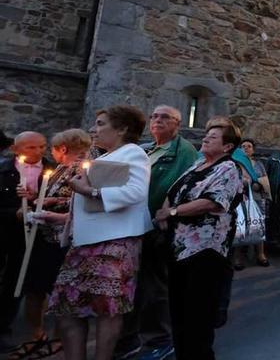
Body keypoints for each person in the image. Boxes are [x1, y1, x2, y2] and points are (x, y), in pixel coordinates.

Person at [48, 106, 152, 360]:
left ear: (122, 129)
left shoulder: (133, 153)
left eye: (101, 123)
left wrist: (89, 191)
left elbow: (136, 192)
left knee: (108, 309)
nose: (94, 129)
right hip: (85, 242)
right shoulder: (106, 155)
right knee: (68, 307)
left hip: (114, 243)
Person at [115, 105, 198, 360]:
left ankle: (160, 339)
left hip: (159, 227)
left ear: (178, 123)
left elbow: (182, 184)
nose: (158, 121)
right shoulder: (146, 148)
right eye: (154, 117)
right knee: (132, 285)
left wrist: (167, 212)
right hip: (134, 224)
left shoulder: (183, 150)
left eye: (165, 117)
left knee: (154, 287)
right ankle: (130, 337)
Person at [153, 123, 242, 360]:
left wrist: (172, 213)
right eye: (206, 135)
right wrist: (165, 210)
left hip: (205, 250)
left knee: (198, 314)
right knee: (179, 310)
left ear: (227, 146)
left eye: (213, 137)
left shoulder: (229, 169)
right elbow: (173, 192)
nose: (205, 139)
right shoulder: (196, 165)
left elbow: (213, 202)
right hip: (179, 248)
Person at [8, 130, 90, 360]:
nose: (47, 153)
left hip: (60, 239)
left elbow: (80, 199)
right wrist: (35, 196)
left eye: (49, 148)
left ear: (62, 149)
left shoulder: (81, 169)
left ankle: (55, 340)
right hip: (44, 237)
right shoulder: (59, 169)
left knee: (55, 291)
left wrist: (54, 202)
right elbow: (50, 194)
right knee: (36, 288)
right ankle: (39, 337)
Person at [0, 132, 52, 356]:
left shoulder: (52, 170)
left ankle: (4, 330)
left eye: (41, 146)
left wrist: (34, 200)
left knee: (16, 282)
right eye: (31, 147)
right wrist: (15, 213)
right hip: (4, 233)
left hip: (35, 237)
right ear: (15, 150)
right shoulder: (3, 170)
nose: (39, 151)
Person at [234, 138, 270, 269]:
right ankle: (238, 257)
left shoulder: (258, 164)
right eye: (243, 146)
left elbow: (265, 180)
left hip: (257, 198)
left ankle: (261, 254)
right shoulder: (236, 163)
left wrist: (257, 184)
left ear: (253, 149)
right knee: (240, 226)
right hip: (241, 199)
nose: (246, 148)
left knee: (259, 225)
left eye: (249, 146)